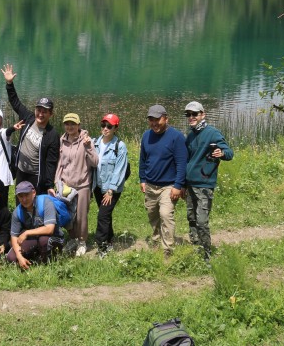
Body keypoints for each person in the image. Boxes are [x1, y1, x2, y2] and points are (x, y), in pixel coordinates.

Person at [183, 101, 234, 261]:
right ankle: (196, 246)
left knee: (202, 221)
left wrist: (221, 153)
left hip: (204, 185)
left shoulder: (212, 133)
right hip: (189, 184)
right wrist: (183, 184)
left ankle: (206, 254)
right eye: (188, 114)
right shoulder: (190, 135)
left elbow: (229, 152)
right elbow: (186, 160)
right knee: (191, 218)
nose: (191, 117)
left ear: (202, 114)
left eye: (194, 114)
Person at [1, 63, 60, 196]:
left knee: (34, 205)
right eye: (38, 110)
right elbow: (15, 102)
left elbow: (51, 162)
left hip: (36, 176)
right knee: (20, 201)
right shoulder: (28, 118)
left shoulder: (52, 135)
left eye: (44, 111)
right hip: (21, 171)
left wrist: (49, 185)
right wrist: (9, 84)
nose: (40, 114)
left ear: (51, 114)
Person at [139, 104, 187, 257]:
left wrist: (178, 185)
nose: (154, 123)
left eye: (157, 120)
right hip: (150, 185)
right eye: (151, 120)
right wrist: (142, 179)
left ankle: (168, 249)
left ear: (166, 119)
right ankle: (156, 240)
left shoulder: (176, 137)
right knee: (152, 215)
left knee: (165, 215)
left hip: (169, 186)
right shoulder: (146, 136)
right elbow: (143, 160)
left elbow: (182, 163)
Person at [53, 112, 98, 257]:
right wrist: (57, 181)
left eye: (73, 124)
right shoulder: (62, 141)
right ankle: (73, 238)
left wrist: (88, 147)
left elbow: (95, 162)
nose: (70, 126)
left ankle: (82, 241)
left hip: (82, 185)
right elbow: (60, 163)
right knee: (67, 215)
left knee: (81, 217)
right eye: (67, 124)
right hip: (66, 185)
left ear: (79, 125)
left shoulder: (86, 140)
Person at [7, 181, 65, 270]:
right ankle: (34, 259)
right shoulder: (17, 212)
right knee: (12, 257)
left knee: (44, 240)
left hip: (54, 237)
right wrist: (19, 256)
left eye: (26, 195)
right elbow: (14, 237)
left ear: (33, 193)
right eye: (20, 196)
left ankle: (47, 265)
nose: (24, 199)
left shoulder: (45, 202)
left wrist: (27, 233)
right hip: (34, 240)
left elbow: (50, 229)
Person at [93, 113, 128, 258]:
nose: (105, 128)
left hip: (111, 188)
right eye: (103, 125)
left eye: (109, 126)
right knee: (106, 215)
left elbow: (119, 170)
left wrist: (111, 190)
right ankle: (110, 240)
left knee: (102, 215)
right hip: (98, 186)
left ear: (116, 128)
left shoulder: (120, 146)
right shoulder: (94, 142)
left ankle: (102, 247)